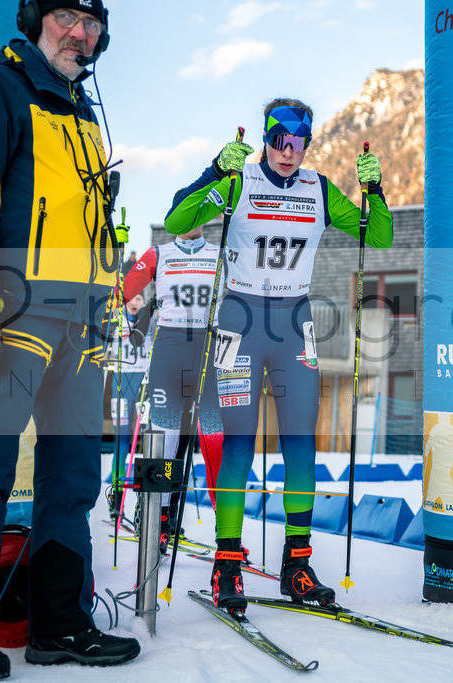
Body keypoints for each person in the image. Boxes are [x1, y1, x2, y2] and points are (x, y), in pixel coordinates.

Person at [0, 1, 139, 678]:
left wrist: (108, 301)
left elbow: (93, 221)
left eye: (92, 23)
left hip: (82, 320)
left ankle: (60, 625)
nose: (82, 33)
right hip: (16, 313)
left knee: (73, 479)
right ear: (34, 19)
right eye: (68, 17)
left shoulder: (82, 109)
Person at [164, 99, 393, 613]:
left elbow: (378, 236)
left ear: (308, 142)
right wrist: (213, 170)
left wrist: (374, 190)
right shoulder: (239, 182)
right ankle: (228, 563)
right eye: (278, 140)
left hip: (294, 324)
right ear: (266, 137)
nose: (288, 152)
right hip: (241, 321)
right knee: (240, 443)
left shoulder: (318, 188)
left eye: (299, 142)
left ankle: (297, 563)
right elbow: (177, 217)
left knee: (299, 444)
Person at [121, 225, 225, 553]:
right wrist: (115, 260)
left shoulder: (220, 254)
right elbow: (124, 291)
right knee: (164, 440)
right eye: (184, 213)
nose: (191, 221)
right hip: (170, 352)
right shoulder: (160, 253)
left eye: (198, 215)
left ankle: (227, 531)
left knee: (211, 439)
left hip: (209, 352)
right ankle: (156, 517)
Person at [105, 292, 152, 517]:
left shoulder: (151, 318)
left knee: (148, 443)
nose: (135, 302)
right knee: (121, 441)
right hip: (121, 383)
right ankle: (117, 496)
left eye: (139, 299)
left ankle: (145, 501)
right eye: (131, 298)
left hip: (144, 384)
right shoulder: (116, 319)